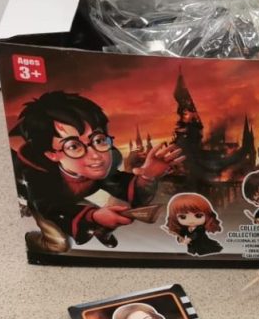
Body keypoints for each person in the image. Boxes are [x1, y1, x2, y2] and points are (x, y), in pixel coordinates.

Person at [10, 91, 183, 254]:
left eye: (98, 140)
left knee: (105, 212)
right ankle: (28, 239)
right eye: (74, 146)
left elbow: (121, 185)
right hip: (41, 201)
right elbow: (50, 207)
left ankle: (98, 230)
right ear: (51, 154)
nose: (96, 156)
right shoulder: (36, 174)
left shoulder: (103, 163)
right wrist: (93, 216)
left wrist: (147, 176)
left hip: (71, 198)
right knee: (59, 243)